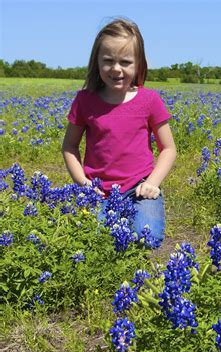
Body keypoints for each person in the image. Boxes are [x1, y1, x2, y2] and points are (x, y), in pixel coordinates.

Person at [62, 18, 176, 245]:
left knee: (147, 237)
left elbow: (169, 148)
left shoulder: (149, 100)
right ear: (96, 62)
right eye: (108, 61)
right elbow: (69, 146)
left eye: (125, 61)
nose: (116, 68)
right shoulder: (85, 100)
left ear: (139, 64)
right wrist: (83, 184)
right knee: (90, 240)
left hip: (139, 187)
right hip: (97, 189)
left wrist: (152, 182)